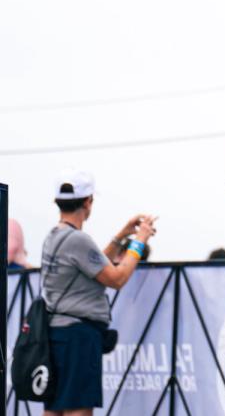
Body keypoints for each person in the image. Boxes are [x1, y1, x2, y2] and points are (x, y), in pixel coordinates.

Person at [41, 169, 157, 416]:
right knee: (78, 410)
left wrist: (122, 234)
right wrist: (139, 241)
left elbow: (94, 265)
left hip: (57, 333)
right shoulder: (77, 240)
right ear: (87, 202)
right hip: (78, 337)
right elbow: (116, 278)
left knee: (54, 409)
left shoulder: (54, 236)